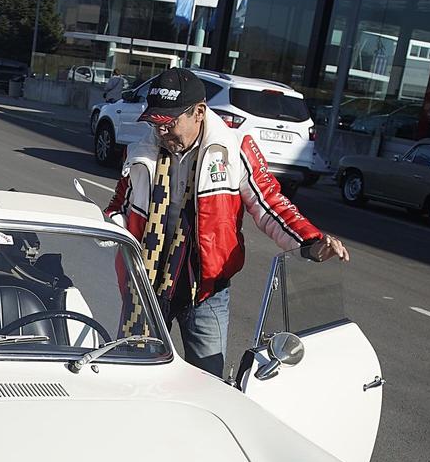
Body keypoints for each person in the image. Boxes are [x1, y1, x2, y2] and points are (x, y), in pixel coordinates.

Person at [106, 66, 349, 379]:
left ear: (199, 112)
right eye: (155, 122)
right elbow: (118, 208)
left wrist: (311, 242)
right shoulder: (140, 152)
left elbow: (271, 204)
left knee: (207, 384)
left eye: (169, 123)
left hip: (206, 290)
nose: (161, 131)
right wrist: (111, 228)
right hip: (145, 287)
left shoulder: (234, 149)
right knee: (133, 376)